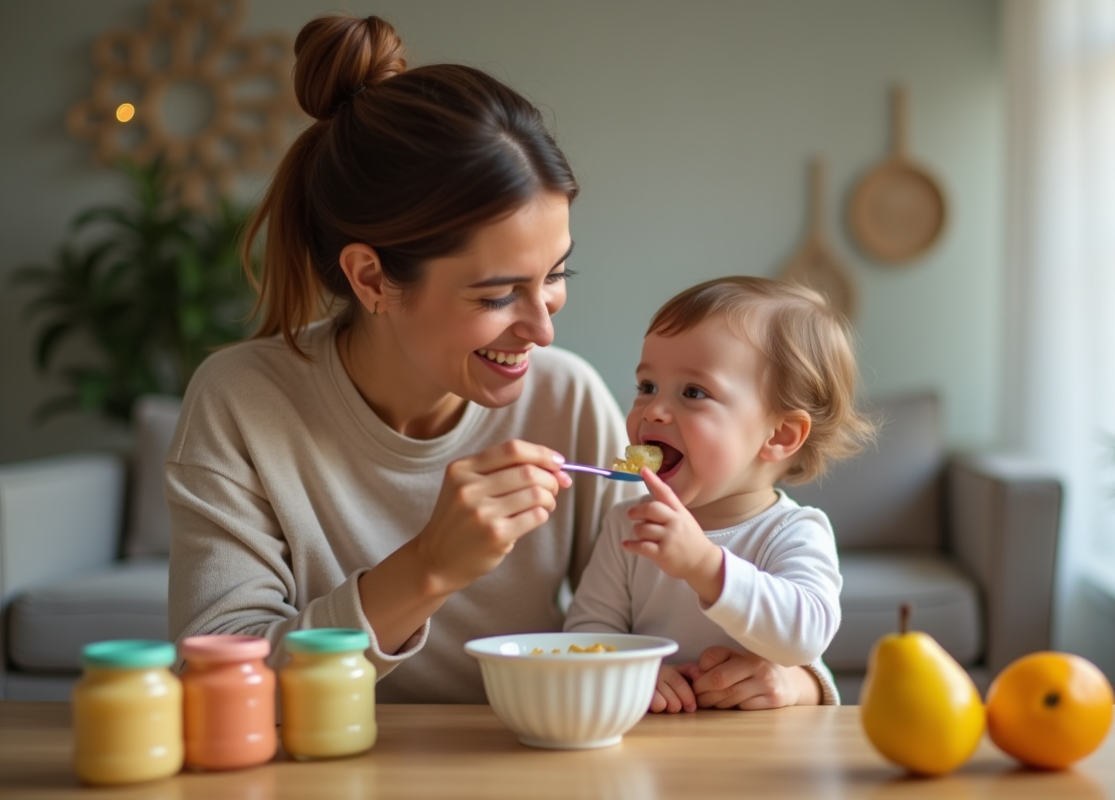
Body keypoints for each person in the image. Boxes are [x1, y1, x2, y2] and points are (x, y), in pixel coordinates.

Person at [166, 14, 829, 706]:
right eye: (498, 293)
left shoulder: (565, 400)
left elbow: (657, 602)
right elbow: (212, 691)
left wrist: (795, 680)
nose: (542, 329)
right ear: (370, 280)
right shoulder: (241, 402)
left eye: (556, 275)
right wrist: (428, 567)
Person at [565, 276, 876, 710]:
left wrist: (704, 565)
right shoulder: (629, 523)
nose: (652, 410)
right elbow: (586, 634)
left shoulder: (793, 532)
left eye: (693, 392)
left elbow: (806, 635)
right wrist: (631, 669)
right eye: (646, 386)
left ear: (780, 435)